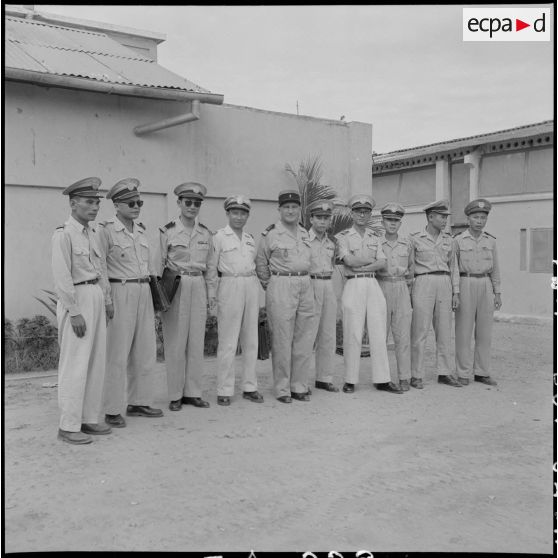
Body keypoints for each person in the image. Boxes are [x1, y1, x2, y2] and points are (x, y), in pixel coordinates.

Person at [97, 178, 163, 428]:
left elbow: (148, 266)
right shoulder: (106, 230)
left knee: (145, 349)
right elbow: (100, 266)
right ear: (117, 205)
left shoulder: (142, 230)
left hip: (143, 289)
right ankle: (112, 408)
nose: (137, 206)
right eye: (131, 203)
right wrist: (106, 298)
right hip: (120, 289)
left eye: (139, 202)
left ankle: (139, 401)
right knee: (117, 352)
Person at [51, 177, 112, 444]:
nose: (95, 207)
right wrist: (74, 311)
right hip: (77, 298)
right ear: (73, 204)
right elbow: (62, 276)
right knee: (75, 364)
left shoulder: (93, 233)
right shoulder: (63, 234)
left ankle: (88, 419)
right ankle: (68, 426)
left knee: (96, 362)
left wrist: (107, 300)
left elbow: (100, 270)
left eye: (97, 202)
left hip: (95, 296)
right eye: (89, 202)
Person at [336, 194, 403, 395]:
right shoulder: (344, 237)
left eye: (366, 212)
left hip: (373, 284)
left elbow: (382, 262)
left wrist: (361, 262)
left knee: (378, 332)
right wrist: (365, 262)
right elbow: (348, 260)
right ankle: (350, 379)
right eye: (358, 211)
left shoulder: (375, 238)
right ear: (352, 213)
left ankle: (382, 379)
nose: (362, 215)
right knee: (353, 333)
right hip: (353, 284)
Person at [156, 182, 213, 411]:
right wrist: (159, 299)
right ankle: (175, 394)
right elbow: (158, 265)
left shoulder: (206, 233)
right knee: (175, 343)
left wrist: (212, 297)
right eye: (188, 202)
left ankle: (193, 392)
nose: (192, 206)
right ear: (179, 203)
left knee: (196, 342)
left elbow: (210, 267)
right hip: (176, 284)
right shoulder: (167, 231)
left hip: (197, 284)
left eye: (197, 203)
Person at [255, 189, 314, 403]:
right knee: (281, 338)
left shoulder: (305, 233)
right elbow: (261, 263)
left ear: (300, 209)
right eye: (286, 207)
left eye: (294, 207)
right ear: (279, 210)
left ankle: (299, 385)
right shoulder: (271, 234)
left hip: (305, 284)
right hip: (281, 283)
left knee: (304, 338)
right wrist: (270, 285)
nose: (291, 211)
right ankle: (282, 388)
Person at [206, 195, 264, 406]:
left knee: (251, 340)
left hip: (250, 285)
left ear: (247, 215)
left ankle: (250, 386)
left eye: (243, 213)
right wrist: (211, 296)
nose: (239, 217)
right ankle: (225, 389)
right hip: (229, 285)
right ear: (228, 214)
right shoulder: (219, 237)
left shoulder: (249, 239)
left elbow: (255, 264)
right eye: (235, 213)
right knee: (228, 340)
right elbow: (211, 269)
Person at [409, 199, 461, 389]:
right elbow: (410, 267)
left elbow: (453, 267)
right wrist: (409, 291)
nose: (445, 220)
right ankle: (416, 375)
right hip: (423, 281)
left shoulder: (450, 240)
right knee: (419, 331)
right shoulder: (415, 239)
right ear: (430, 217)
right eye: (441, 216)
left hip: (444, 282)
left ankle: (444, 373)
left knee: (445, 331)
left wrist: (456, 292)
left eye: (446, 217)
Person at [454, 199, 502, 386]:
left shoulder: (491, 241)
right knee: (463, 331)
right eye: (476, 217)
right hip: (465, 282)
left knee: (484, 332)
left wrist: (497, 292)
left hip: (485, 284)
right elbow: (454, 269)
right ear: (468, 218)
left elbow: (495, 269)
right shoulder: (458, 240)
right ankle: (463, 372)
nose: (479, 221)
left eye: (483, 217)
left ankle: (482, 372)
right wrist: (456, 293)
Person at [377, 202, 413, 391]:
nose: (392, 224)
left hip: (400, 286)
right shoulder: (375, 242)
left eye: (396, 221)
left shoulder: (407, 243)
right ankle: (382, 377)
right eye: (389, 220)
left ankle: (404, 376)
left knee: (402, 335)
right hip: (382, 285)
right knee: (380, 335)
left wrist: (408, 289)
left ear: (400, 223)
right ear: (382, 221)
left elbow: (412, 268)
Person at [307, 199, 339, 393]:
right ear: (311, 219)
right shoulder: (303, 239)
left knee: (328, 335)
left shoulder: (332, 242)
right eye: (319, 217)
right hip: (310, 283)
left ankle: (324, 378)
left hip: (328, 283)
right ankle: (300, 380)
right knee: (307, 335)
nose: (322, 221)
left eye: (326, 218)